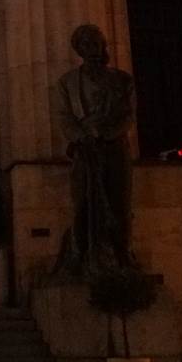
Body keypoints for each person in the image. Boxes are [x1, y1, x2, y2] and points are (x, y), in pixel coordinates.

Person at [50, 23, 135, 278]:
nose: (93, 48)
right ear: (79, 49)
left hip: (114, 149)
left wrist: (108, 134)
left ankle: (122, 254)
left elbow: (128, 114)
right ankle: (81, 254)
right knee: (83, 203)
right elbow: (65, 117)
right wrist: (83, 136)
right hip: (85, 151)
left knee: (119, 202)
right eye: (86, 44)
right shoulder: (68, 82)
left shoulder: (122, 80)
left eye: (96, 42)